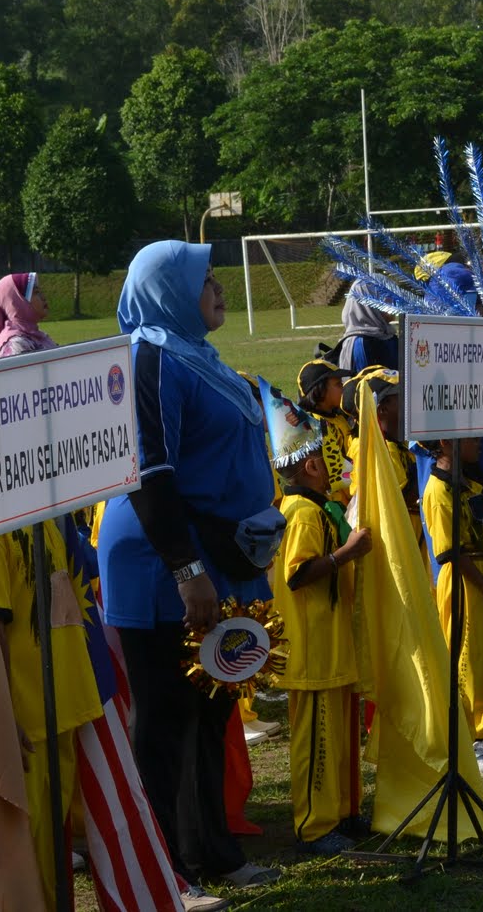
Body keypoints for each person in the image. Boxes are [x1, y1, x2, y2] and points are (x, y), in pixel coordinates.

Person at [97, 241, 282, 891]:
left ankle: (215, 853)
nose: (219, 286)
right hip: (162, 562)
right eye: (205, 278)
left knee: (213, 708)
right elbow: (150, 471)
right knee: (168, 716)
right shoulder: (149, 356)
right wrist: (186, 569)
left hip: (221, 560)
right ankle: (167, 871)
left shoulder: (198, 355)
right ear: (168, 289)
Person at [263, 395, 371, 857]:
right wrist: (348, 554)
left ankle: (345, 811)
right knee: (317, 740)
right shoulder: (302, 513)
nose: (335, 467)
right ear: (308, 466)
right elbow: (297, 572)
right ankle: (314, 824)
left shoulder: (317, 508)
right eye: (327, 460)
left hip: (332, 644)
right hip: (311, 650)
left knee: (340, 735)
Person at [0, 519, 104, 908]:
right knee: (25, 842)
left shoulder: (47, 518)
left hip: (62, 702)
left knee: (53, 837)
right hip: (26, 714)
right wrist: (5, 712)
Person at [426, 436, 483, 776]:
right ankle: (463, 742)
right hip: (465, 581)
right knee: (464, 660)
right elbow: (452, 552)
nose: (479, 443)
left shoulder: (471, 483)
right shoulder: (439, 490)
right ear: (447, 442)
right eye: (471, 437)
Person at [296, 360, 353, 504]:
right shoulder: (316, 426)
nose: (343, 388)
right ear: (319, 390)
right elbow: (335, 472)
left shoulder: (338, 417)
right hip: (338, 502)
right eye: (338, 384)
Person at [0, 272, 57, 359]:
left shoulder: (36, 335)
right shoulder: (15, 346)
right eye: (36, 292)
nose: (43, 297)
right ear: (17, 302)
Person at [337, 284, 399, 374]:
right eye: (385, 297)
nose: (393, 302)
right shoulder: (361, 343)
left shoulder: (388, 335)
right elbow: (364, 384)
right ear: (368, 304)